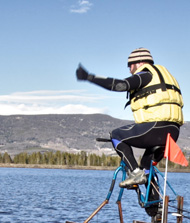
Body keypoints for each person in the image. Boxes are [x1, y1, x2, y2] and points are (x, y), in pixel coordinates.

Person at [76, 48, 183, 189]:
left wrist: (89, 77)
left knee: (116, 135)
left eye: (129, 66)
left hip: (155, 128)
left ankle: (134, 172)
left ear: (138, 63)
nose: (129, 70)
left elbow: (120, 85)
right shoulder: (163, 77)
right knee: (146, 170)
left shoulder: (146, 75)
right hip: (173, 131)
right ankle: (156, 208)